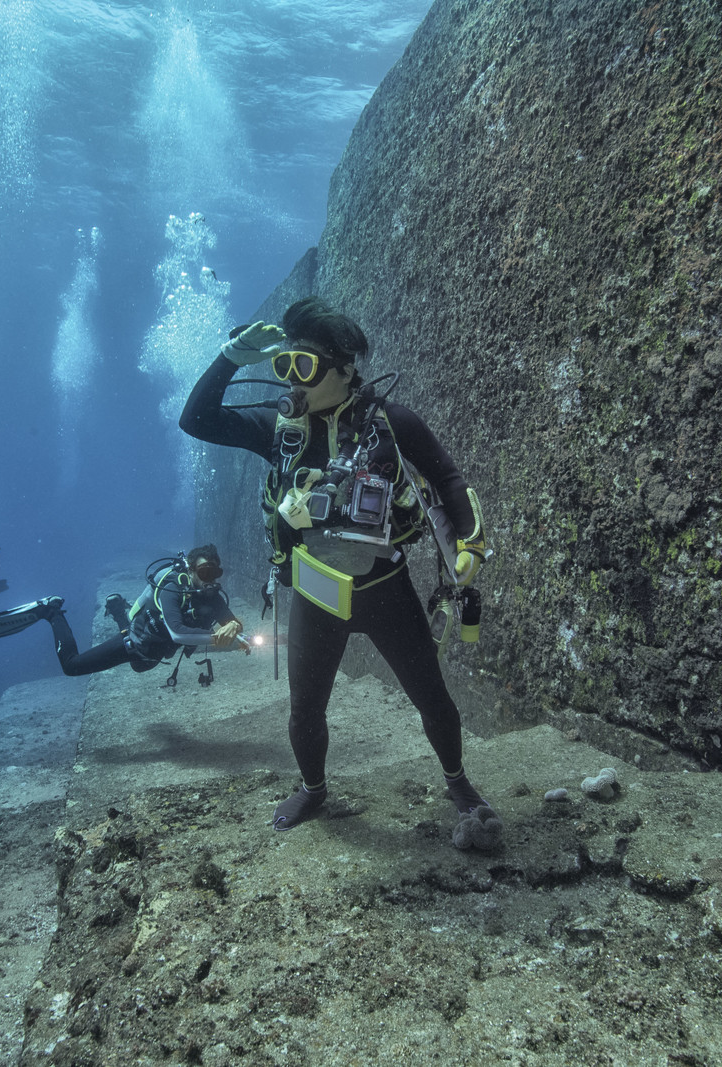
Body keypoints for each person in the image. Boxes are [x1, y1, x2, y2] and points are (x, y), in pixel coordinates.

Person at [178, 296, 500, 848]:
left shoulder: (392, 425)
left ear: (346, 368)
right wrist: (230, 357)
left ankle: (457, 780)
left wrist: (469, 543)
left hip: (385, 587)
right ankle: (313, 787)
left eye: (303, 367)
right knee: (306, 705)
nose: (291, 384)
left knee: (432, 697)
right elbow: (196, 419)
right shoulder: (279, 429)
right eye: (284, 368)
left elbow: (447, 479)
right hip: (314, 592)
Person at [0, 544, 250, 676]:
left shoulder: (212, 597)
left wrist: (236, 629)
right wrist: (215, 639)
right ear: (190, 570)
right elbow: (177, 631)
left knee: (140, 661)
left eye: (215, 572)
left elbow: (233, 621)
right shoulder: (172, 587)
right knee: (72, 667)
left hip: (151, 655)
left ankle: (119, 609)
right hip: (134, 646)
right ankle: (51, 612)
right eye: (205, 572)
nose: (210, 579)